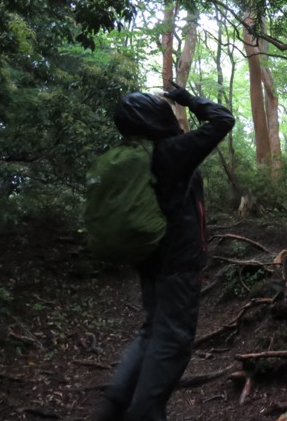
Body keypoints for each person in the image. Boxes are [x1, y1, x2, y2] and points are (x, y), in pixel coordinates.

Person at [95, 84, 234, 421]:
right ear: (156, 118)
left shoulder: (135, 158)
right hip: (178, 264)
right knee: (172, 339)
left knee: (152, 329)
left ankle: (115, 403)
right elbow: (223, 119)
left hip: (149, 261)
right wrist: (189, 100)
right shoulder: (171, 152)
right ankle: (144, 413)